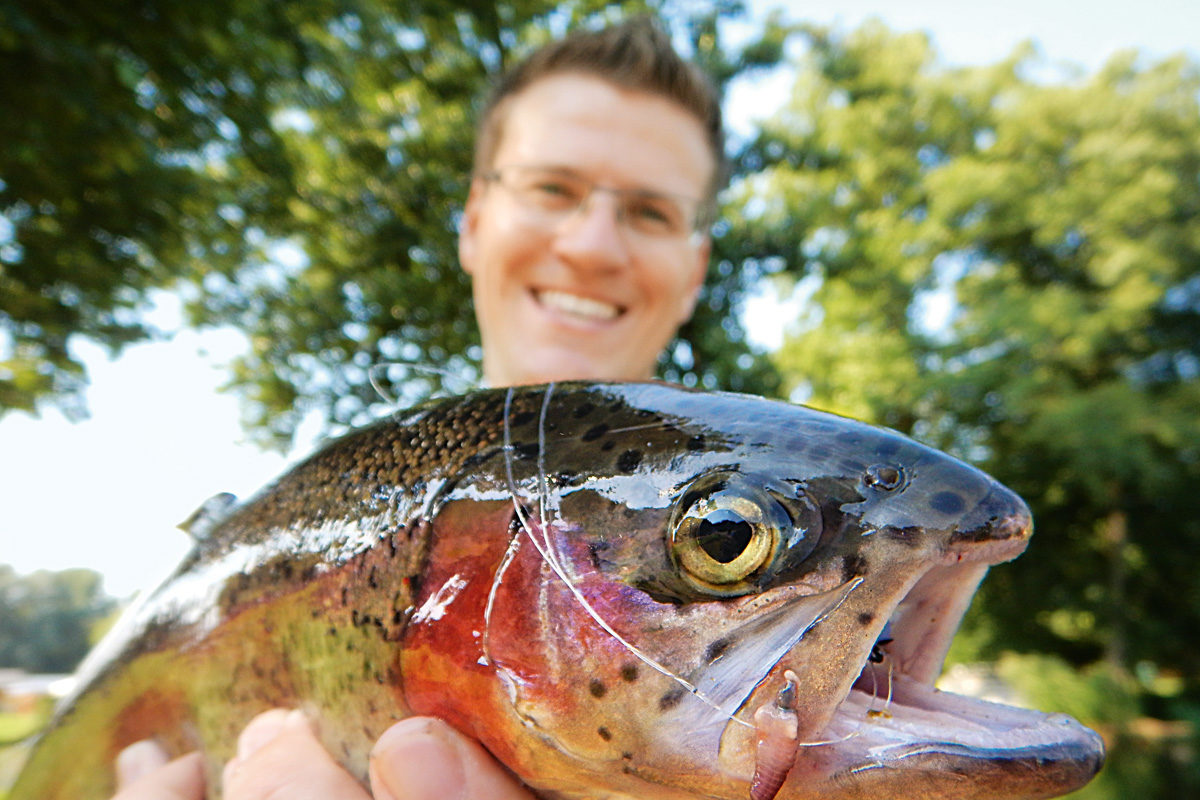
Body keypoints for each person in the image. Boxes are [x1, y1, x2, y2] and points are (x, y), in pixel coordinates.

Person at [109, 14, 724, 800]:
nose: (593, 245)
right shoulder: (295, 520)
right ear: (473, 222)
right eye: (551, 189)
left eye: (650, 212)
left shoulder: (827, 559)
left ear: (695, 267)